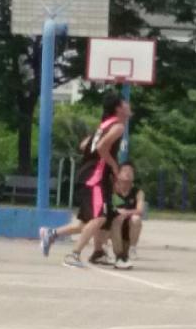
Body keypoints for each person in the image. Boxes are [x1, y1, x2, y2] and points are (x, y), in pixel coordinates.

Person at [40, 92, 130, 267]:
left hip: (88, 174)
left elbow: (83, 145)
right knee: (99, 218)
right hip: (95, 178)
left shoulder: (104, 125)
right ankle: (73, 255)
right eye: (125, 103)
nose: (128, 106)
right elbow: (102, 147)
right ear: (118, 108)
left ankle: (51, 234)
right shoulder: (118, 126)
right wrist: (113, 166)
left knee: (87, 222)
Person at [97, 162, 144, 270]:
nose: (128, 173)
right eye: (125, 170)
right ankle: (107, 249)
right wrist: (118, 211)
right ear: (117, 174)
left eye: (131, 171)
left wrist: (126, 212)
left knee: (136, 219)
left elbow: (140, 210)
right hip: (110, 227)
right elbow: (105, 208)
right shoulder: (111, 190)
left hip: (126, 227)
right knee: (115, 219)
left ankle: (132, 248)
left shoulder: (138, 192)